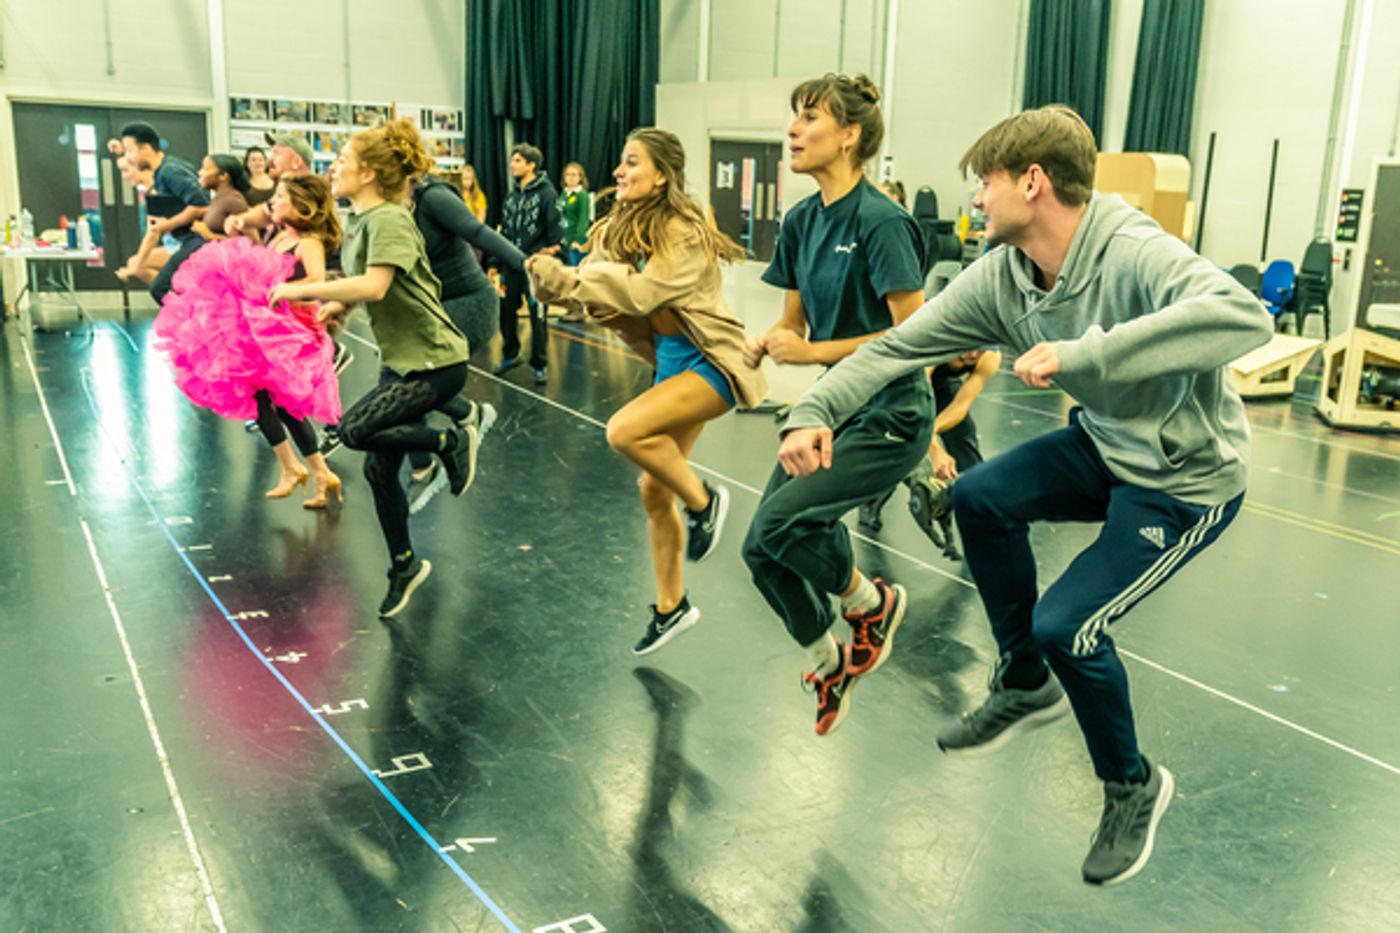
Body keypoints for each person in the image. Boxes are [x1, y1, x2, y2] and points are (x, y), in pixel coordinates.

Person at [774, 104, 1273, 885]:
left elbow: (1246, 315)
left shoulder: (1133, 249)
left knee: (1067, 625)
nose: (974, 199)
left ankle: (1130, 783)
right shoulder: (1004, 275)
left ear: (1033, 183)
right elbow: (901, 344)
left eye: (986, 183)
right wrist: (814, 410)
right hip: (1106, 446)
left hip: (1183, 477)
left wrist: (1089, 351)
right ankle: (1023, 681)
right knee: (975, 497)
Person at [740, 73, 932, 737]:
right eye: (793, 116)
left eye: (811, 117)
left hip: (890, 414)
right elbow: (795, 323)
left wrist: (815, 355)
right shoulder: (799, 221)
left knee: (781, 526)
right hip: (832, 410)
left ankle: (870, 603)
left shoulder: (882, 222)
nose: (793, 129)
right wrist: (770, 341)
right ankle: (828, 658)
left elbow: (917, 340)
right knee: (760, 551)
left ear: (850, 136)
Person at [528, 128, 768, 655]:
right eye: (620, 162)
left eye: (632, 162)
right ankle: (671, 607)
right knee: (653, 489)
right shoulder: (617, 226)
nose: (619, 171)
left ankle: (705, 503)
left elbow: (643, 293)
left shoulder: (683, 230)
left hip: (711, 363)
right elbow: (593, 289)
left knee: (624, 430)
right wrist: (554, 282)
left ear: (662, 174)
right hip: (670, 363)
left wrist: (569, 282)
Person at [268, 119, 477, 618]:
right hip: (403, 362)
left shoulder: (388, 219)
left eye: (343, 160)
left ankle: (450, 440)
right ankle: (404, 564)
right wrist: (341, 307)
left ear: (369, 172)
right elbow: (374, 285)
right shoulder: (365, 223)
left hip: (436, 360)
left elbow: (377, 285)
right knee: (379, 469)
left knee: (354, 430)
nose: (335, 167)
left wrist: (303, 290)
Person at [154, 175, 344, 508]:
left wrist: (287, 293)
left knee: (274, 401)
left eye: (282, 196)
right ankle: (316, 471)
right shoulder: (282, 235)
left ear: (302, 206)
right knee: (270, 401)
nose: (275, 200)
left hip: (289, 330)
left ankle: (295, 468)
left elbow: (316, 281)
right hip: (268, 326)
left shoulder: (308, 243)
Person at [401, 168, 527, 512]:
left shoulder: (432, 199)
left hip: (469, 304)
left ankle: (465, 417)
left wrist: (527, 266)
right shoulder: (387, 210)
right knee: (400, 386)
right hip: (432, 309)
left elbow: (478, 232)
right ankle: (423, 465)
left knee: (407, 381)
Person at [856, 348, 1002, 557]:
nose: (973, 355)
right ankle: (872, 500)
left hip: (940, 384)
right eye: (971, 347)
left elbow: (960, 406)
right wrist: (934, 449)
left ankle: (981, 509)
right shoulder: (939, 343)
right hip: (904, 383)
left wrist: (933, 430)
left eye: (981, 351)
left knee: (964, 435)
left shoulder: (990, 357)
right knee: (899, 441)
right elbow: (919, 406)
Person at [493, 142, 563, 384]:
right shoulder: (511, 196)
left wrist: (549, 253)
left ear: (531, 165)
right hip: (510, 266)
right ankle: (510, 354)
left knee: (538, 315)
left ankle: (539, 364)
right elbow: (502, 231)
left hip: (534, 267)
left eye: (518, 161)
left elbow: (557, 231)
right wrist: (495, 261)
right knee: (505, 310)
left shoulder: (548, 194)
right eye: (512, 161)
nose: (512, 165)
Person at [120, 121, 210, 303]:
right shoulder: (162, 173)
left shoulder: (170, 171)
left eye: (130, 151)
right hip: (186, 240)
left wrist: (168, 224)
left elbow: (200, 205)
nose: (129, 158)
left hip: (197, 241)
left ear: (145, 148)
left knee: (160, 288)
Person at [190, 155, 251, 242]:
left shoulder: (233, 201)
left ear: (223, 176)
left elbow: (250, 242)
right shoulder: (219, 197)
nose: (199, 172)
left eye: (205, 169)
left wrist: (210, 235)